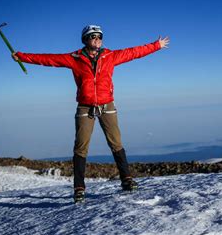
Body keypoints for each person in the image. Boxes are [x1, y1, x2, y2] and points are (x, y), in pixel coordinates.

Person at [12, 25, 169, 202]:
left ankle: (127, 180)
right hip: (85, 107)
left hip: (106, 104)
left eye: (99, 36)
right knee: (81, 146)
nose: (97, 39)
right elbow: (49, 59)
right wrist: (22, 57)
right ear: (85, 39)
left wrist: (156, 45)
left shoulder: (110, 56)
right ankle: (79, 188)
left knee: (116, 143)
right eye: (93, 36)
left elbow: (134, 52)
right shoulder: (74, 58)